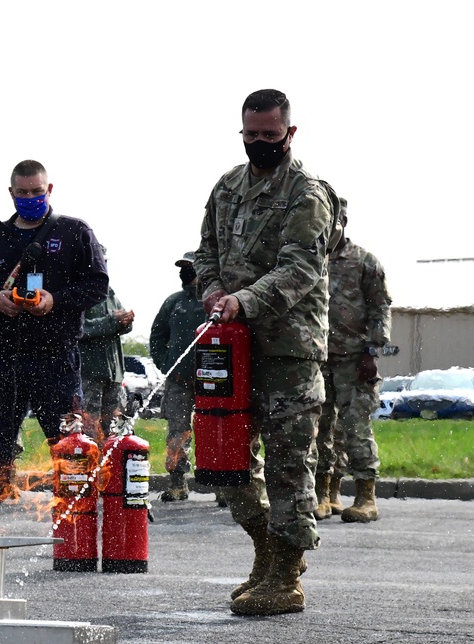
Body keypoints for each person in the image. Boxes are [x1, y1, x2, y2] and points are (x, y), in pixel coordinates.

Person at [195, 89, 340, 616]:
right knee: (227, 461)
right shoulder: (227, 186)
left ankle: (286, 576)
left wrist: (245, 300)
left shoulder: (309, 194)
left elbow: (301, 268)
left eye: (269, 136)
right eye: (250, 135)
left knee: (287, 465)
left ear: (289, 133)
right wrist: (210, 291)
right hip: (230, 347)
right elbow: (205, 251)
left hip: (287, 351)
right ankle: (264, 552)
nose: (259, 144)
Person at [0, 159, 108, 533]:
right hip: (4, 357)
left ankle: (77, 523)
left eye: (36, 192)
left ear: (49, 190)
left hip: (56, 356)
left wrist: (54, 300)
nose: (29, 198)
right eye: (22, 193)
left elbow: (97, 285)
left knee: (67, 442)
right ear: (11, 193)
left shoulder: (75, 232)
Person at [313, 200, 391, 523]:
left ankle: (365, 497)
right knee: (319, 430)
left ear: (344, 220)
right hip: (319, 359)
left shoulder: (364, 262)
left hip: (354, 360)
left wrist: (372, 351)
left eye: (335, 219)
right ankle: (324, 495)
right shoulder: (313, 260)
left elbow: (380, 308)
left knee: (355, 428)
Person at [149, 251, 207, 502]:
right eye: (182, 268)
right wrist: (166, 365)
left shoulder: (215, 301)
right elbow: (157, 336)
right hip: (179, 382)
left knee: (214, 432)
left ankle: (225, 487)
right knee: (177, 433)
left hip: (212, 382)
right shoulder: (174, 302)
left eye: (190, 268)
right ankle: (177, 484)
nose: (185, 273)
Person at [79, 248, 134, 441]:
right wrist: (112, 321)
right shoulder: (79, 293)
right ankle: (88, 468)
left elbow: (120, 325)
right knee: (88, 428)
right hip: (90, 373)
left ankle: (111, 468)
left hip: (113, 375)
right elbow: (80, 329)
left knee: (113, 428)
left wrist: (126, 322)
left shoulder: (109, 293)